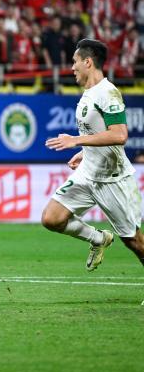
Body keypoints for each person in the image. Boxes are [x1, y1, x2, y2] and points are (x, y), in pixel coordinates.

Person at [43, 39, 144, 295]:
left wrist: (76, 140)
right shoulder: (88, 93)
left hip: (112, 179)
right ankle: (98, 238)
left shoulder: (107, 93)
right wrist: (84, 152)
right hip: (88, 173)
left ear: (88, 62)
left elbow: (119, 134)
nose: (72, 67)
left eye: (75, 62)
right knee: (51, 218)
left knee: (134, 241)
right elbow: (97, 133)